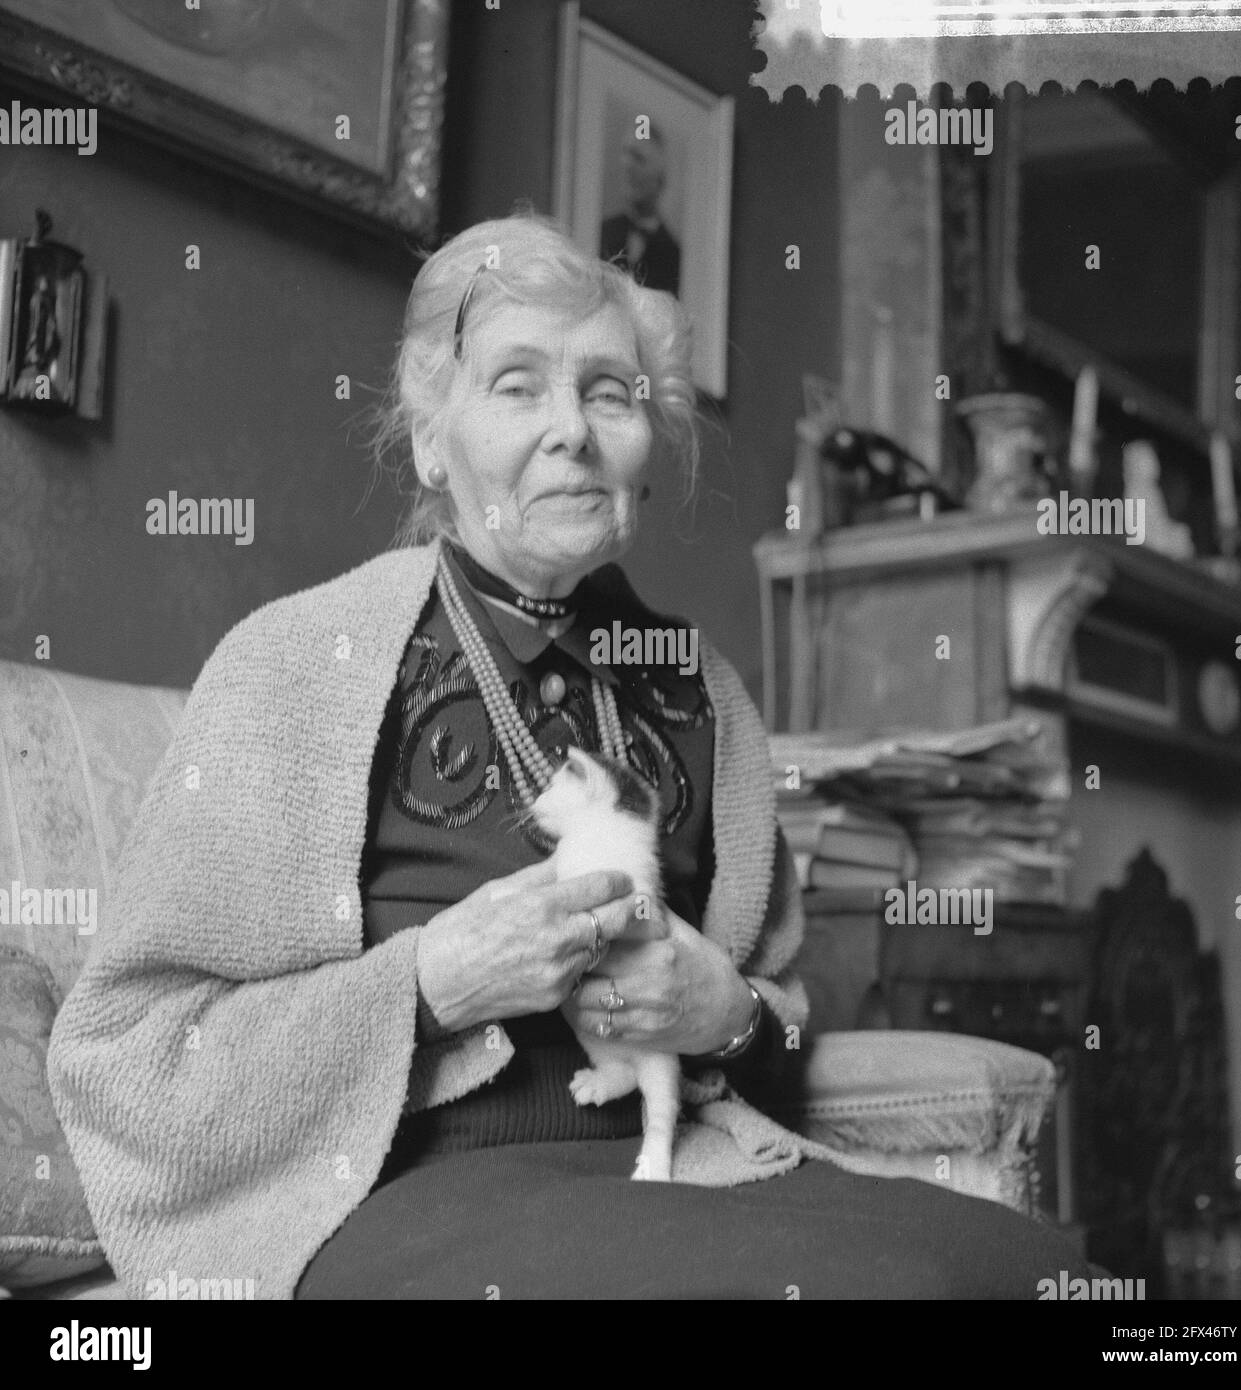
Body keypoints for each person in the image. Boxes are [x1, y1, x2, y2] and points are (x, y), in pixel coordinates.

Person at [48, 212, 1104, 1299]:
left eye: (609, 392)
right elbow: (131, 1058)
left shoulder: (705, 695)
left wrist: (727, 1015)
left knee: (1040, 1276)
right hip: (389, 1197)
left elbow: (781, 1026)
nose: (573, 432)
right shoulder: (288, 669)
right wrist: (429, 983)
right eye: (518, 384)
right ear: (428, 437)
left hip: (675, 1169)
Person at [599, 126, 681, 295]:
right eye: (626, 155)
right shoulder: (603, 232)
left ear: (660, 178)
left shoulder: (674, 255)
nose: (627, 166)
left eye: (639, 158)